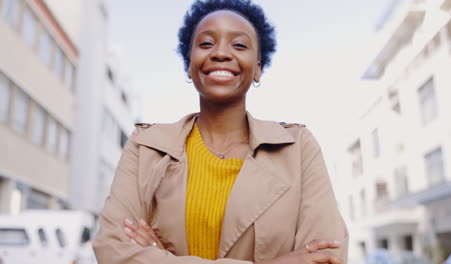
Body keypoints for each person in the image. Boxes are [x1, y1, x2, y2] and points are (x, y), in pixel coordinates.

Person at [92, 0, 349, 263]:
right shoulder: (145, 146)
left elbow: (326, 257)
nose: (221, 53)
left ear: (258, 67)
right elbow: (114, 251)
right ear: (189, 65)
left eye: (239, 45)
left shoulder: (298, 148)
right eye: (205, 44)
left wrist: (161, 257)